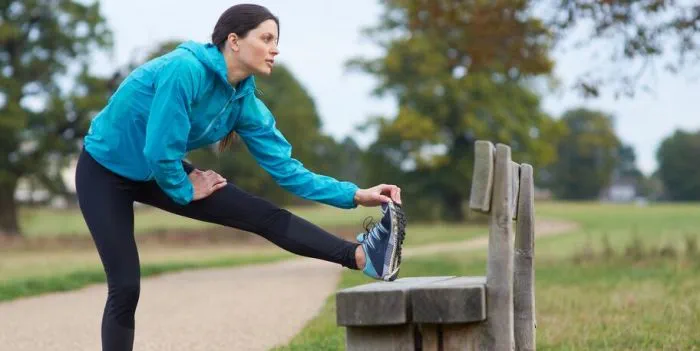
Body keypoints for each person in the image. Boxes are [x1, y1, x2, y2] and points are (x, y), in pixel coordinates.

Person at [74, 3, 407, 351]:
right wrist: (184, 187)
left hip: (162, 168)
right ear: (234, 41)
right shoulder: (183, 69)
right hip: (105, 170)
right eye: (266, 38)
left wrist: (355, 195)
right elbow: (159, 149)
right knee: (126, 285)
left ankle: (362, 257)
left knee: (263, 214)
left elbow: (289, 171)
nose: (275, 49)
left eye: (277, 41)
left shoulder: (244, 104)